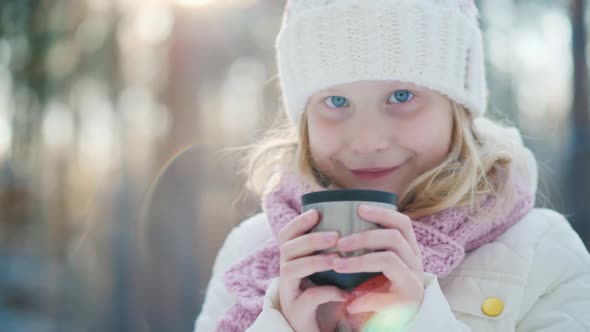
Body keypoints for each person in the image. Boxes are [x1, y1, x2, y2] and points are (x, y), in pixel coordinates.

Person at [194, 0, 590, 331]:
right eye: (335, 102)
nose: (368, 141)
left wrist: (419, 321)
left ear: (458, 108)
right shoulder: (250, 254)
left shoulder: (544, 254)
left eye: (401, 95)